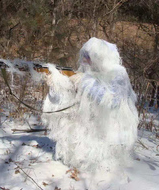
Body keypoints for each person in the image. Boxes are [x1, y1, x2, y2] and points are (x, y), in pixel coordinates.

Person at [42, 37, 138, 179]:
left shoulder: (118, 73)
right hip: (93, 126)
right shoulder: (89, 74)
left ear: (100, 57)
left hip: (110, 134)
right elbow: (74, 100)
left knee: (102, 167)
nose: (85, 60)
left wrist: (83, 81)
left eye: (89, 56)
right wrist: (58, 82)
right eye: (85, 56)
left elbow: (112, 101)